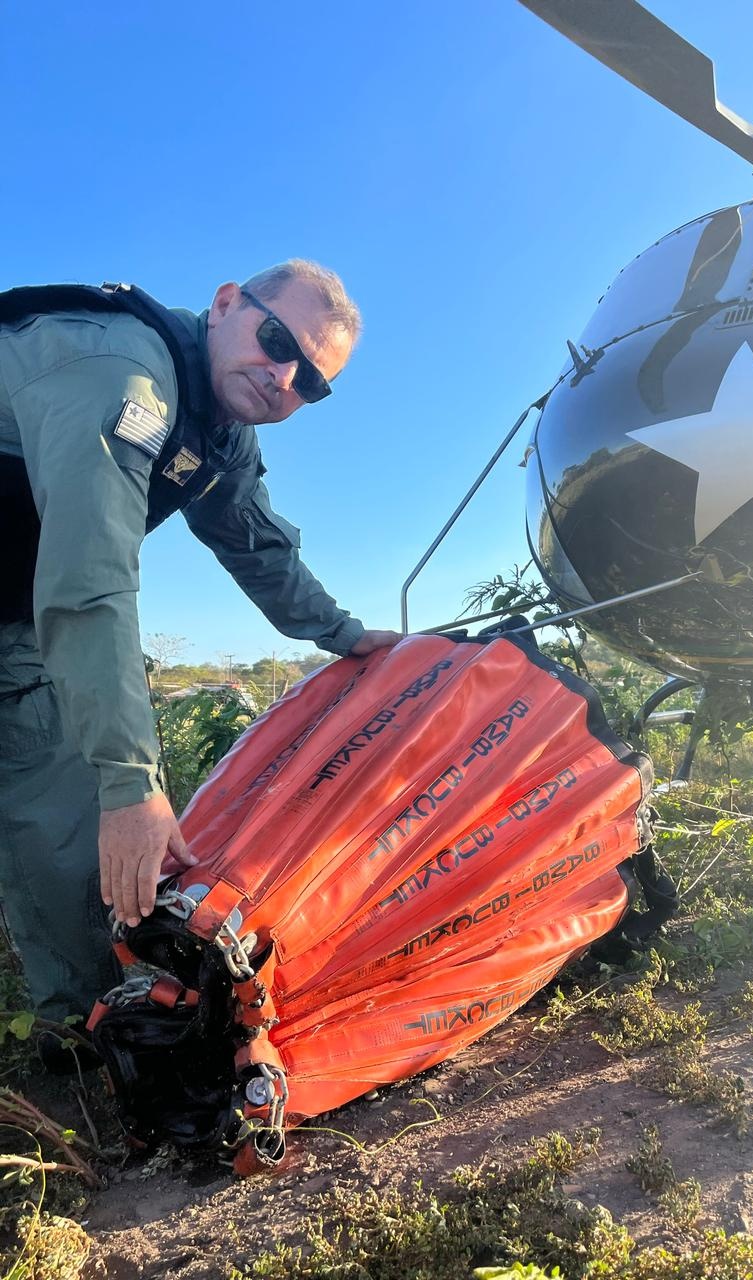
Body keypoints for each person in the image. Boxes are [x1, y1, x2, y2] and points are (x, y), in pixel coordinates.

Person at [0, 260, 400, 1031]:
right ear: (226, 305)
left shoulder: (222, 433)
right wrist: (132, 786)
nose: (284, 376)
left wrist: (345, 636)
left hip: (13, 622)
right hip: (49, 598)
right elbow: (89, 583)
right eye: (277, 339)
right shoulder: (124, 377)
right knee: (114, 804)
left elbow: (257, 545)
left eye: (310, 382)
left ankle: (87, 1037)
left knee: (55, 820)